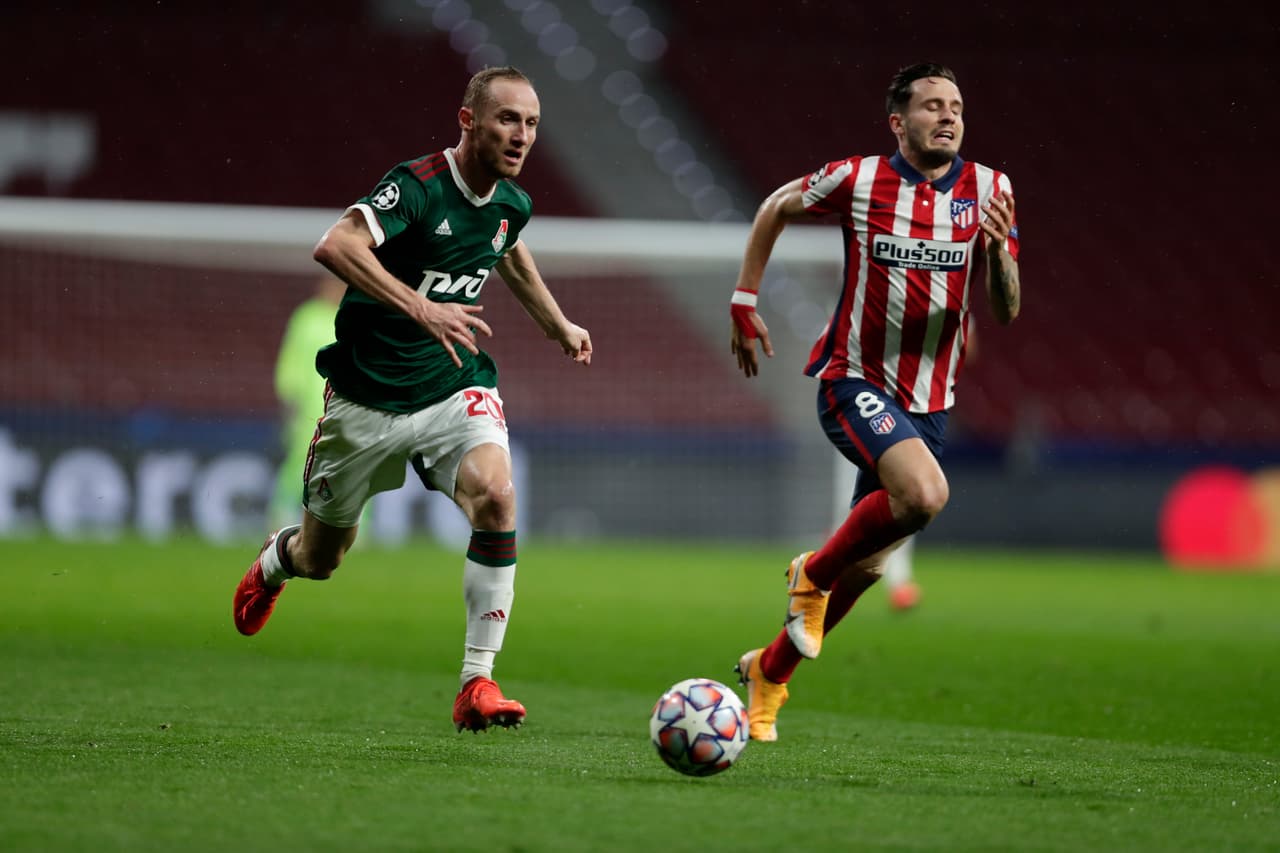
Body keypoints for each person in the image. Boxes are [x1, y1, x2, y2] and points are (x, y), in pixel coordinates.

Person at [232, 66, 592, 733]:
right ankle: (275, 561)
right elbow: (336, 244)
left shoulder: (512, 202)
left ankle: (477, 681)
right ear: (468, 121)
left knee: (497, 497)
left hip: (454, 385)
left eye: (532, 123)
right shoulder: (418, 186)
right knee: (323, 558)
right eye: (507, 119)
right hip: (366, 397)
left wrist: (557, 323)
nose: (521, 135)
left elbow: (508, 248)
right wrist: (421, 307)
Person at [728, 62, 1020, 741]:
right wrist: (744, 298)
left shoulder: (991, 190)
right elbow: (775, 206)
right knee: (925, 494)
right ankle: (811, 572)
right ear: (898, 121)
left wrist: (1000, 253)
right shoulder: (858, 179)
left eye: (957, 107)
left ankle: (770, 670)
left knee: (867, 566)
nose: (948, 117)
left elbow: (1006, 310)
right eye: (932, 106)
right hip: (853, 380)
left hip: (929, 403)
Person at [269, 274, 345, 530]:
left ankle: (354, 524)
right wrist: (289, 395)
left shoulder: (356, 315)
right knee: (302, 460)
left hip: (347, 405)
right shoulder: (307, 317)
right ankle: (283, 513)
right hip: (309, 408)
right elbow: (292, 360)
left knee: (354, 464)